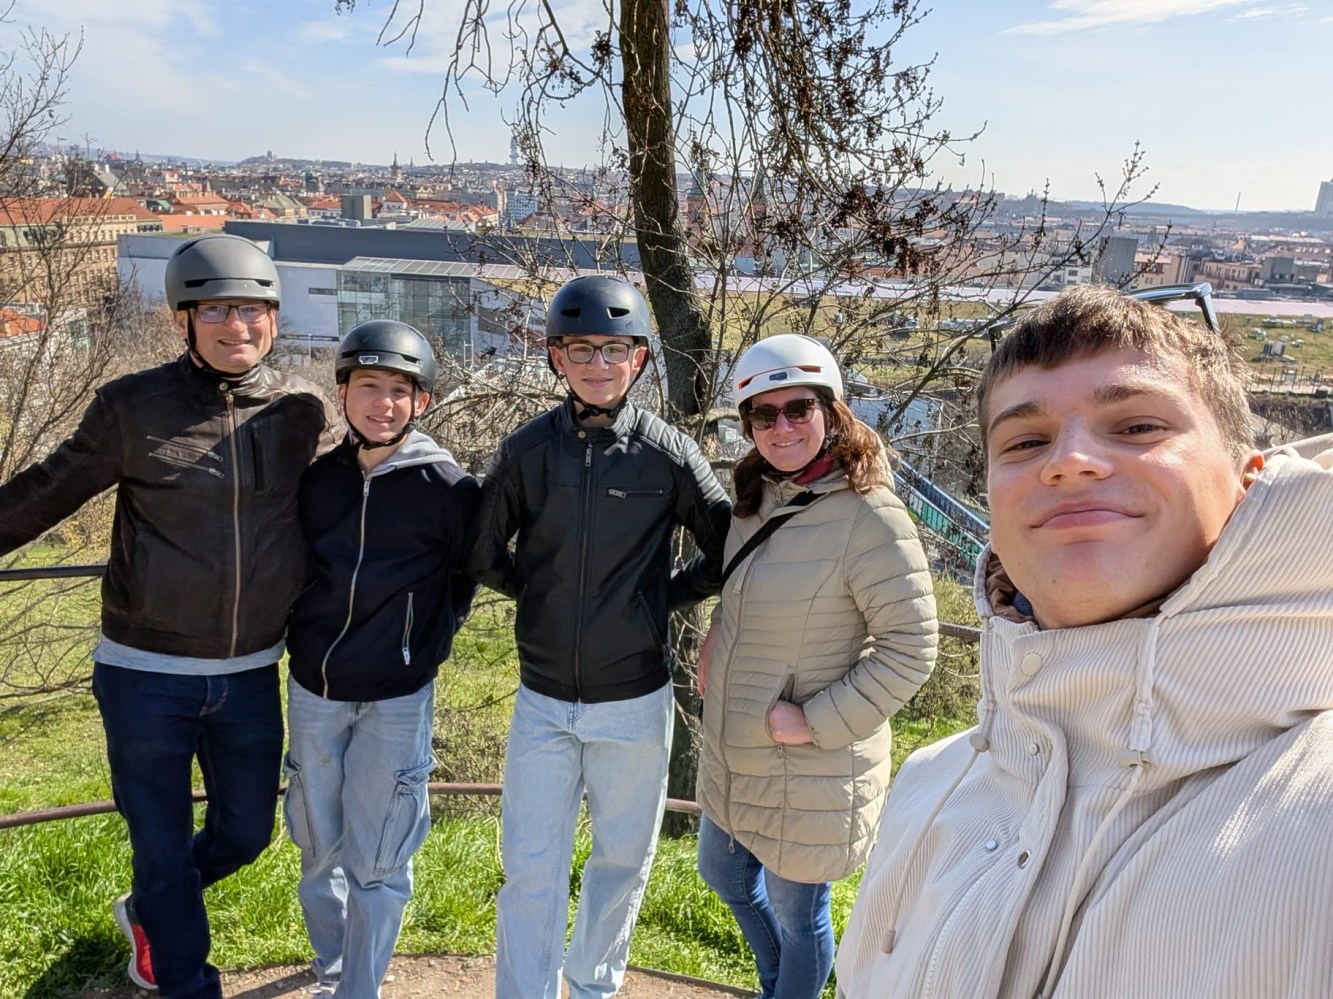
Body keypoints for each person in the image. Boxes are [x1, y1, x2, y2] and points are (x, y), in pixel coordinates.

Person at [836, 285, 1333, 997]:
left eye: (1135, 426)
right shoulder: (928, 788)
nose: (1068, 460)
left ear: (1248, 479)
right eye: (1024, 441)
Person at [0, 233, 339, 998]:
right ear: (182, 319)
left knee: (246, 832)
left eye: (252, 310)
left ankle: (150, 909)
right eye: (215, 308)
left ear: (275, 321)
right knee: (158, 845)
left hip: (252, 671)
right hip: (143, 674)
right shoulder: (131, 407)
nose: (236, 326)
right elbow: (42, 493)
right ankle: (184, 977)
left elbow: (354, 497)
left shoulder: (299, 411)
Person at [466, 274, 733, 999]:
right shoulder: (525, 452)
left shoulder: (669, 453)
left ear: (639, 358)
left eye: (614, 349)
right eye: (580, 348)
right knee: (530, 863)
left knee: (622, 858)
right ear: (555, 356)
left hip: (634, 700)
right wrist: (547, 596)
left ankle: (591, 988)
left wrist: (659, 599)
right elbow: (483, 551)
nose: (597, 364)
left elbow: (728, 546)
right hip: (543, 700)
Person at [694, 334, 938, 999]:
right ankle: (782, 984)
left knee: (800, 914)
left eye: (797, 408)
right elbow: (748, 590)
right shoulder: (758, 497)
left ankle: (788, 987)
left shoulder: (870, 515)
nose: (781, 427)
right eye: (762, 415)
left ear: (829, 410)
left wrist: (812, 721)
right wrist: (717, 634)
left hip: (810, 759)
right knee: (720, 872)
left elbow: (911, 647)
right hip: (739, 743)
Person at [283, 320, 480, 999]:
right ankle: (333, 964)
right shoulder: (316, 483)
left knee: (380, 856)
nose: (384, 403)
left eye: (401, 390)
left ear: (421, 401)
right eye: (369, 386)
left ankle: (357, 991)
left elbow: (463, 581)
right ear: (343, 391)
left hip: (397, 697)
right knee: (317, 846)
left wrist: (421, 645)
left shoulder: (448, 487)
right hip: (315, 687)